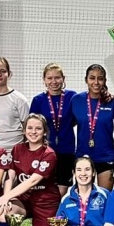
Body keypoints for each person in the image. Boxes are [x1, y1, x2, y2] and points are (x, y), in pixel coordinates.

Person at [0, 114, 63, 226]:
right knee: (2, 211)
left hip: (45, 202)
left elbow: (32, 181)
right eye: (30, 128)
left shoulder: (49, 154)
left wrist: (7, 196)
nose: (33, 132)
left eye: (38, 128)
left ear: (44, 132)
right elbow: (10, 175)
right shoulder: (17, 149)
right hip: (24, 200)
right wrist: (6, 197)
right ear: (24, 130)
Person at [29, 63, 77, 194]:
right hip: (44, 150)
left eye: (57, 77)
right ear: (44, 80)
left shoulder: (72, 97)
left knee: (62, 188)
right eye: (49, 78)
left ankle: (58, 208)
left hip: (66, 149)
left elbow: (77, 118)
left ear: (63, 79)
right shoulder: (38, 100)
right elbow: (32, 126)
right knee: (44, 186)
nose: (54, 81)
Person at [73, 64, 114, 191]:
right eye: (92, 78)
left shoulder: (112, 101)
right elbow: (68, 124)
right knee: (83, 197)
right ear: (86, 80)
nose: (96, 82)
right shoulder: (76, 100)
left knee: (104, 196)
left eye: (100, 78)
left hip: (106, 156)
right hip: (83, 155)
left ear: (105, 81)